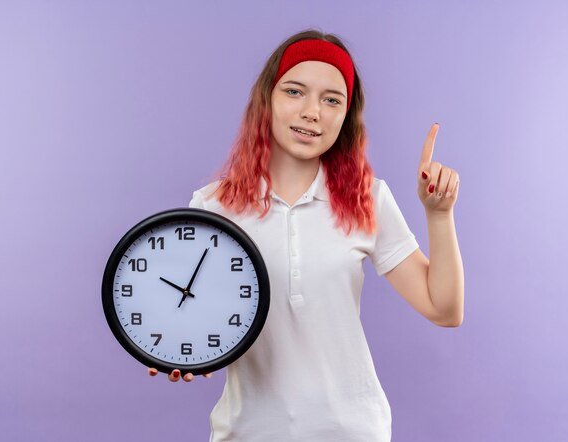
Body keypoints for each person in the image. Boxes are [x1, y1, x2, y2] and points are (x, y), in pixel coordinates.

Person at [148, 29, 464, 441]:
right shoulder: (213, 207)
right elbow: (190, 315)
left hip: (353, 431)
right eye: (295, 91)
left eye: (331, 99)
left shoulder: (367, 198)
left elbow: (444, 309)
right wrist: (175, 350)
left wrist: (438, 214)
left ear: (346, 115)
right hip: (247, 432)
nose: (312, 111)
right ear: (267, 101)